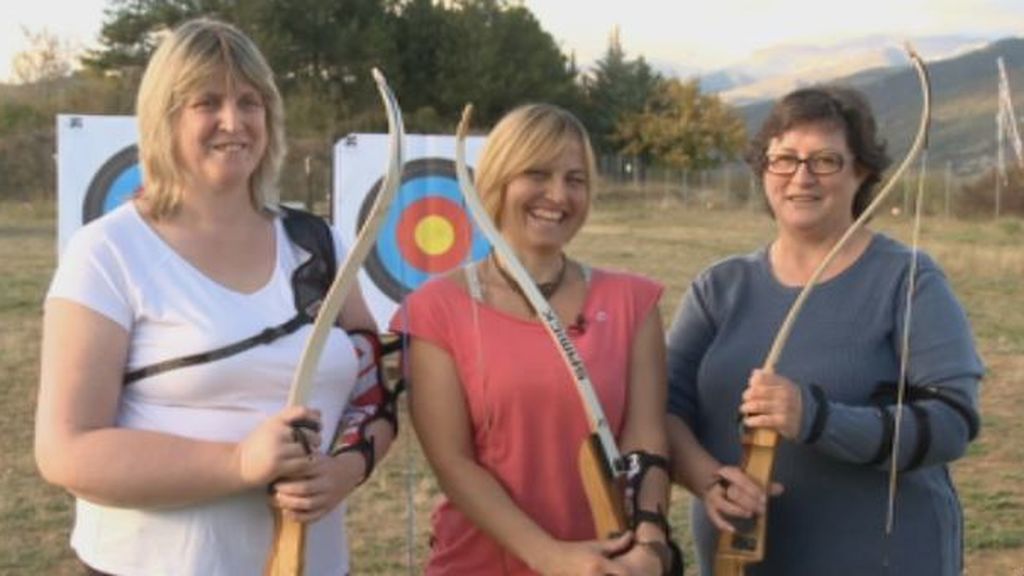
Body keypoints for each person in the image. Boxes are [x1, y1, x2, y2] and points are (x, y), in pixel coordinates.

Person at [34, 18, 394, 575]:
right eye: (207, 102)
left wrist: (346, 469)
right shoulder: (108, 251)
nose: (234, 121)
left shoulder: (317, 245)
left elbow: (375, 389)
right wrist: (238, 462)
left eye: (250, 101)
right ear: (164, 118)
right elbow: (66, 448)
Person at [665, 84, 984, 575]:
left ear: (862, 171)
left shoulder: (909, 280)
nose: (802, 177)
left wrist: (815, 419)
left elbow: (951, 422)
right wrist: (707, 480)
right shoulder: (719, 288)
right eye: (784, 159)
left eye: (826, 161)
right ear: (763, 169)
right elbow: (664, 409)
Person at [392, 103, 674, 575]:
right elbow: (453, 462)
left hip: (611, 563)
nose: (558, 195)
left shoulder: (633, 302)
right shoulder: (436, 309)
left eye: (575, 179)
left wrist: (649, 540)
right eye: (537, 174)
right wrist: (552, 557)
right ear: (499, 179)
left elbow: (645, 435)